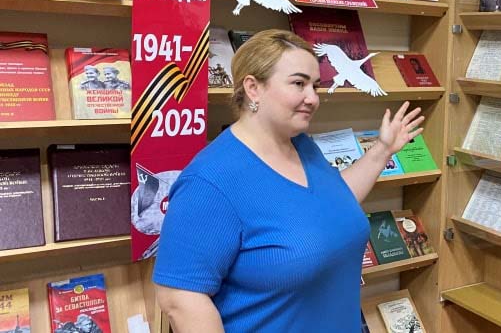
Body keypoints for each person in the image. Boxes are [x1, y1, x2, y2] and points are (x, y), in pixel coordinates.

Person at [153, 29, 424, 332]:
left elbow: (334, 203)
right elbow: (180, 299)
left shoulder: (302, 146)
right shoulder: (208, 182)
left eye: (315, 86)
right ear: (253, 88)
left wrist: (383, 149)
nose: (313, 98)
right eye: (299, 83)